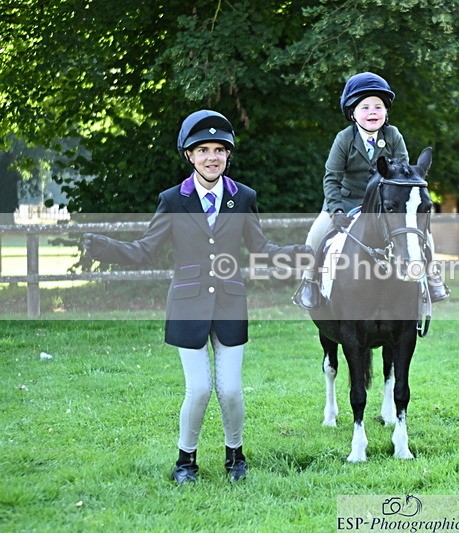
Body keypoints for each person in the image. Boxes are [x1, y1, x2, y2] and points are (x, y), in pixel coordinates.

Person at [82, 110, 311, 484]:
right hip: (187, 305)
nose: (211, 157)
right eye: (202, 149)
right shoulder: (172, 200)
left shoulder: (244, 197)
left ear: (228, 155)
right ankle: (185, 461)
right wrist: (106, 247)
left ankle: (235, 455)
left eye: (219, 149)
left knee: (232, 390)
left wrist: (301, 251)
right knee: (200, 388)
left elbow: (260, 247)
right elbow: (145, 250)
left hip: (230, 303)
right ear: (189, 155)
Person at [293, 71, 449, 309]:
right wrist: (335, 211)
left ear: (386, 113)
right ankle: (309, 280)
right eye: (364, 107)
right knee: (317, 232)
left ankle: (432, 275)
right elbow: (331, 178)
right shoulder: (344, 139)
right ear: (352, 113)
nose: (372, 112)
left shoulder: (393, 135)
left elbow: (403, 174)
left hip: (382, 204)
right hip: (345, 203)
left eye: (378, 107)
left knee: (422, 233)